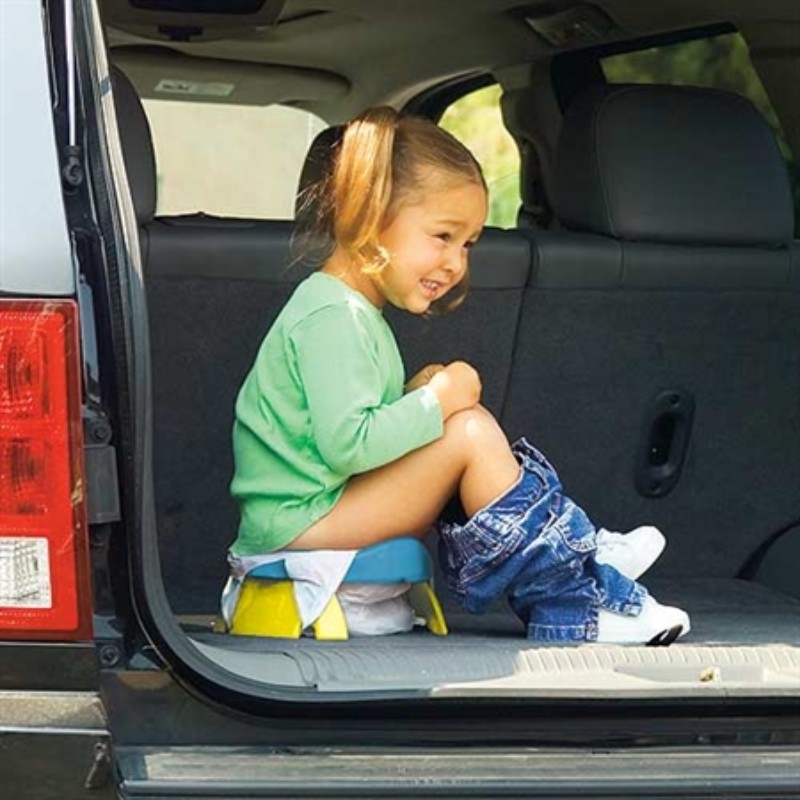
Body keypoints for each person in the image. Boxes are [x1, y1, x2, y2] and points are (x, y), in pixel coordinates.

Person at [229, 106, 690, 644]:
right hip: (299, 525)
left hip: (316, 512)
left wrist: (418, 395)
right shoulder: (334, 317)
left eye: (467, 244)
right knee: (466, 431)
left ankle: (574, 559)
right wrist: (438, 401)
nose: (456, 263)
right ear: (371, 215)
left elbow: (339, 431)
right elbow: (348, 446)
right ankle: (576, 591)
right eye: (443, 236)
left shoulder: (348, 310)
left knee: (462, 426)